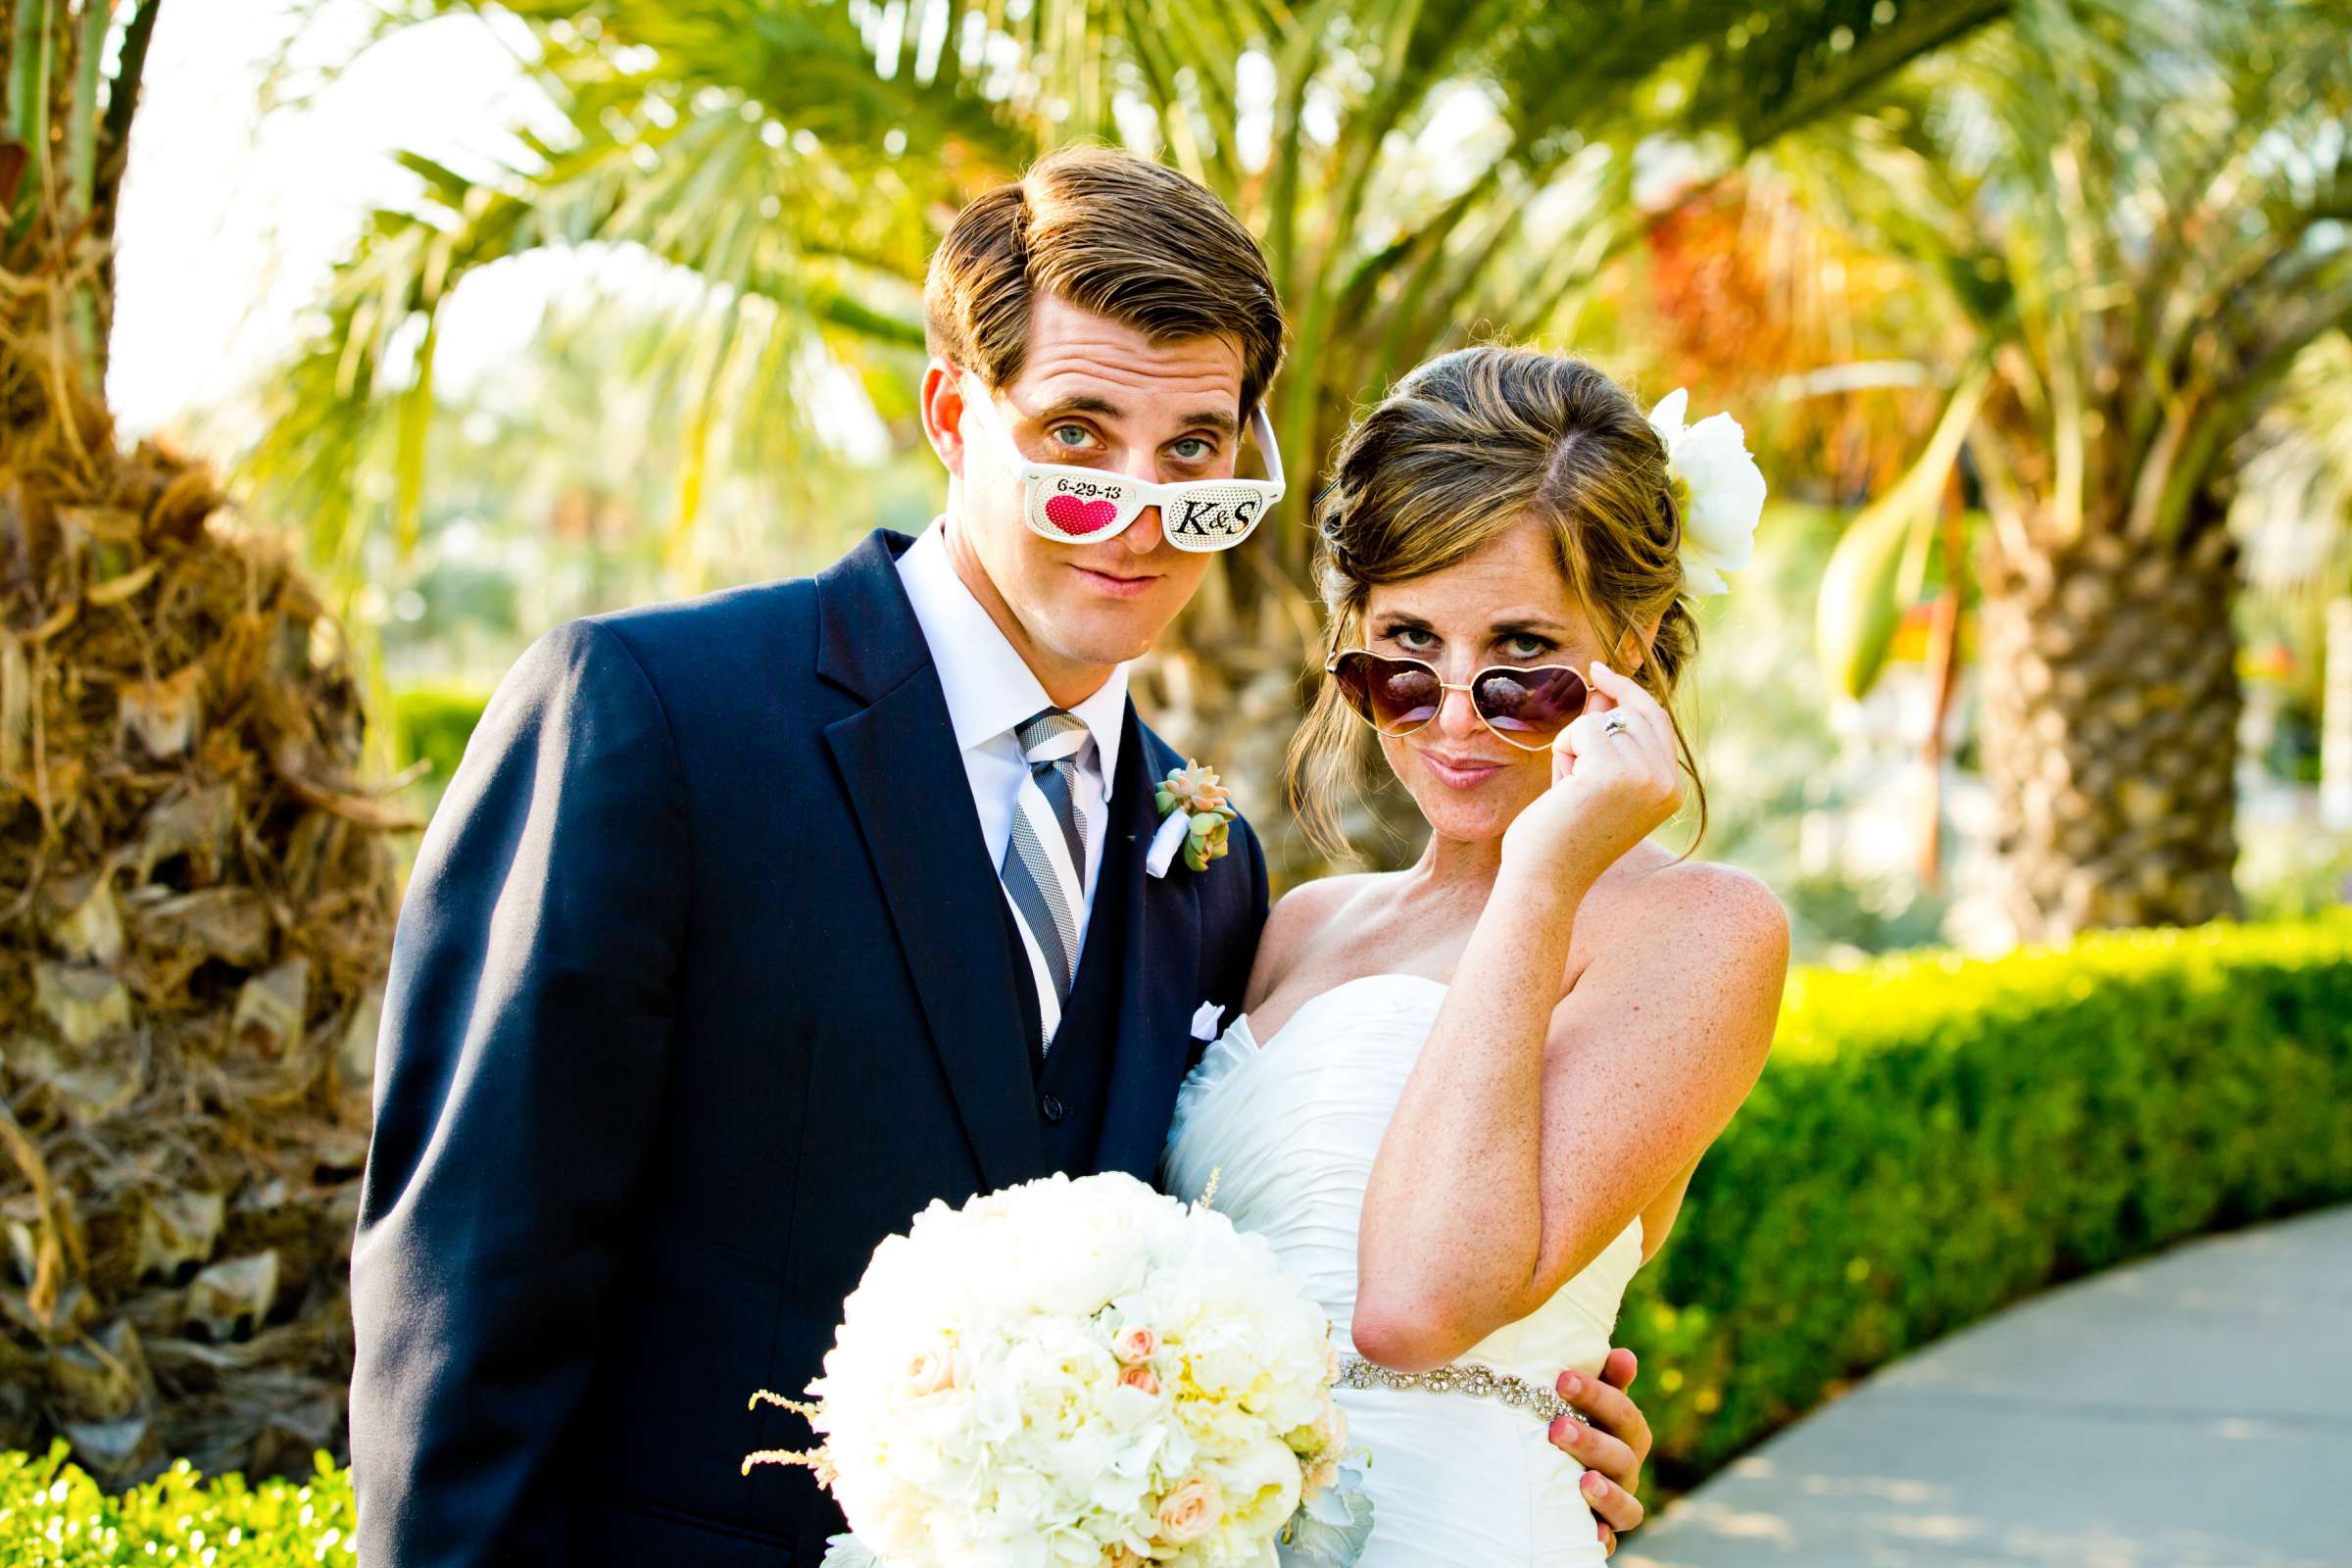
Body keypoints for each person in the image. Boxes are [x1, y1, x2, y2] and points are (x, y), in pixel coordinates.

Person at [348, 150, 1655, 1566]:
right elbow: (470, 1297)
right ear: (954, 417)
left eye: (1195, 449)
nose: (1141, 508)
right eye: (1077, 435)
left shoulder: (1208, 864)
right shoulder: (655, 718)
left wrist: (1501, 1421)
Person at [1164, 345, 1789, 1565]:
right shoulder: (1297, 929)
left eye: (1522, 659)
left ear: (1637, 638)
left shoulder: (1705, 932)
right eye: (1403, 648)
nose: (1453, 715)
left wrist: (1547, 870)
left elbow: (1414, 1309)